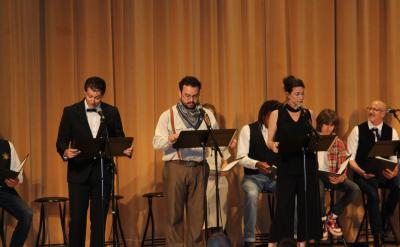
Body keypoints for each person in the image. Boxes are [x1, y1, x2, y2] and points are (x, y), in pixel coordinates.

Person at [56, 76, 132, 247]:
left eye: (97, 97)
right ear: (85, 92)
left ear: (102, 95)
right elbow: (61, 141)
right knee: (77, 220)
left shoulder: (111, 112)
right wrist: (65, 152)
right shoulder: (70, 112)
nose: (93, 100)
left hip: (102, 172)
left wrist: (124, 149)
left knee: (99, 220)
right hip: (78, 172)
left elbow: (118, 137)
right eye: (90, 96)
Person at [153, 76, 218, 246]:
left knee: (198, 215)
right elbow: (156, 142)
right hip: (176, 167)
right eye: (187, 95)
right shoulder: (168, 115)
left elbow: (215, 136)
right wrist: (170, 139)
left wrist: (225, 141)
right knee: (174, 215)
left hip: (199, 167)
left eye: (194, 96)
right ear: (180, 92)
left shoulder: (206, 114)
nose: (191, 100)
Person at [267, 75, 322, 247]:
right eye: (297, 94)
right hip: (287, 165)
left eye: (302, 94)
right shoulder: (277, 113)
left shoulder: (308, 113)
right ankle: (283, 241)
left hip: (306, 165)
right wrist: (275, 146)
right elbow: (269, 141)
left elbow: (313, 138)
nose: (300, 97)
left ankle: (303, 241)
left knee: (306, 205)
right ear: (287, 93)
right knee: (285, 206)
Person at [347, 100, 400, 247]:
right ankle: (378, 236)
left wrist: (394, 171)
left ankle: (384, 218)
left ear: (383, 113)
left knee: (398, 185)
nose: (371, 111)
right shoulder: (358, 130)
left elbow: (395, 158)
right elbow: (350, 159)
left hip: (383, 173)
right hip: (363, 174)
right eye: (370, 108)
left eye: (375, 109)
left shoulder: (392, 131)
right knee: (372, 194)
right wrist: (361, 172)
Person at [237, 100, 280, 247]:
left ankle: (289, 236)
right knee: (252, 194)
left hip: (274, 177)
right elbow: (241, 158)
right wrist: (256, 164)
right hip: (252, 177)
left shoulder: (281, 132)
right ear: (264, 115)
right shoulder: (248, 130)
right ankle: (249, 239)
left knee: (292, 190)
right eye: (273, 117)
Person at [315, 109, 360, 240]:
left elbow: (343, 164)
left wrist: (342, 176)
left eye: (332, 124)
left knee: (354, 189)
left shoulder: (338, 142)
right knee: (319, 187)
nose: (329, 128)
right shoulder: (312, 139)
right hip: (316, 176)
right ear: (320, 124)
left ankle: (332, 217)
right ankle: (322, 222)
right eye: (326, 124)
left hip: (332, 177)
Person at [203, 103, 236, 233]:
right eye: (206, 115)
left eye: (211, 115)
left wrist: (225, 169)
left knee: (220, 211)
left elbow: (225, 160)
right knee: (206, 212)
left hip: (220, 178)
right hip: (205, 178)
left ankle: (220, 234)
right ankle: (206, 237)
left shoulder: (220, 136)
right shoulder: (197, 136)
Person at [0, 139, 32, 247]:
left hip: (4, 190)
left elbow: (18, 172)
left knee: (26, 214)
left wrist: (15, 180)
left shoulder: (7, 145)